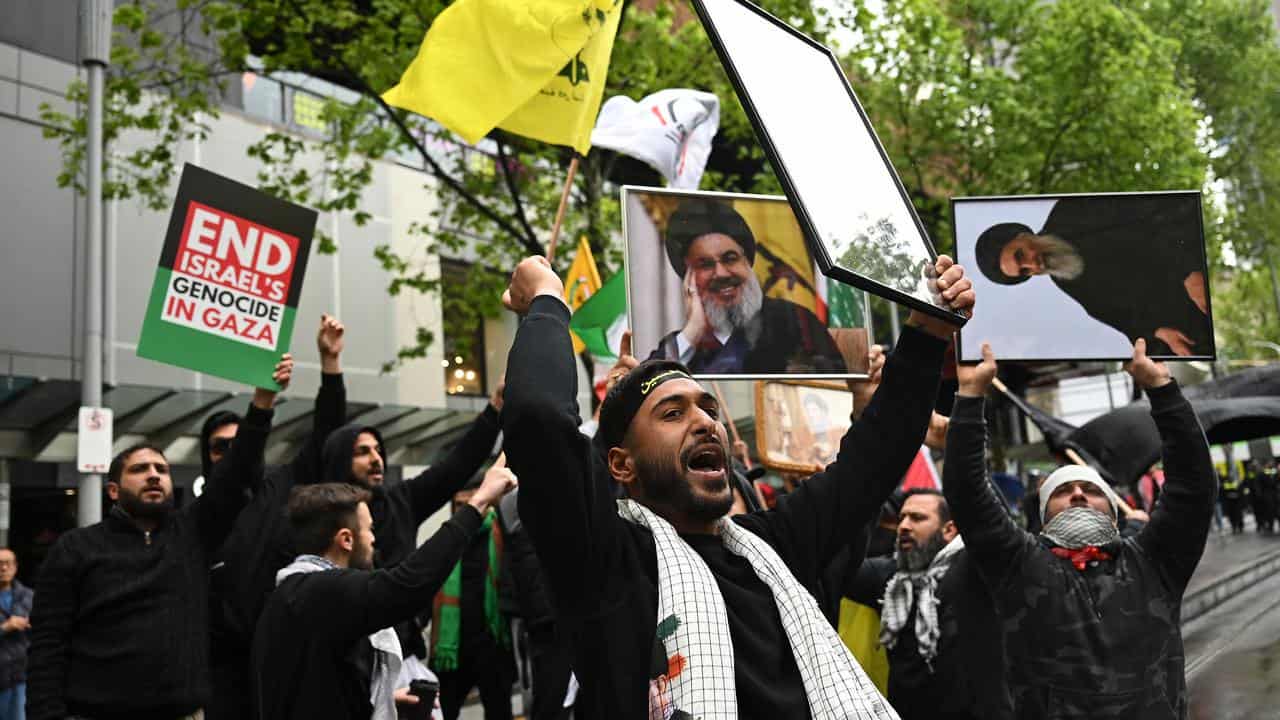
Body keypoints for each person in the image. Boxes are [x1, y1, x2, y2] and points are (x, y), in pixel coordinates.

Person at [500, 252, 973, 718]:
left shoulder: (776, 545)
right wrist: (546, 299)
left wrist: (929, 330)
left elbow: (878, 453)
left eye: (707, 408)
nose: (706, 422)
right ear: (622, 465)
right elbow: (539, 418)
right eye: (672, 413)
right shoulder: (605, 559)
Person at [944, 340, 1215, 718]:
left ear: (1113, 512)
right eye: (1062, 492)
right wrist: (971, 396)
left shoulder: (1154, 563)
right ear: (1043, 515)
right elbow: (967, 494)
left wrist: (1163, 390)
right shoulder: (1019, 566)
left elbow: (1194, 487)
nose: (1077, 496)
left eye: (1090, 490)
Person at [26, 355, 293, 720]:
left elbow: (235, 474)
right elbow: (46, 646)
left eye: (161, 469)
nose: (154, 475)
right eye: (140, 470)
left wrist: (262, 402)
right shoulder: (75, 549)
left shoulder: (193, 534)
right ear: (114, 491)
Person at [250, 467, 517, 720]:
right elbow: (407, 586)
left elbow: (316, 692)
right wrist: (478, 503)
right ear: (346, 539)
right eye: (369, 529)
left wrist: (380, 704)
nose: (373, 539)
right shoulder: (323, 590)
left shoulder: (289, 594)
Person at [207, 314, 349, 720]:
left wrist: (330, 363)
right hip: (221, 676)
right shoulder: (195, 519)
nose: (231, 455)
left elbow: (327, 438)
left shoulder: (280, 488)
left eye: (239, 445)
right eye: (219, 448)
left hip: (282, 662)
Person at [318, 378, 504, 659]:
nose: (376, 458)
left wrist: (495, 408)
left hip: (404, 656)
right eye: (362, 452)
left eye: (379, 450)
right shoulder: (319, 519)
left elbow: (456, 465)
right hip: (348, 655)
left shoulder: (401, 501)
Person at [973, 195, 1210, 356]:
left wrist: (1189, 271)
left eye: (1020, 255)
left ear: (1022, 234)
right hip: (1184, 320)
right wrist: (1158, 331)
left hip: (1198, 266)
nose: (1031, 265)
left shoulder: (1071, 210)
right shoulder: (1063, 278)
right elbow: (1118, 317)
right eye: (1024, 272)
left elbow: (1151, 215)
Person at [843, 490, 1008, 720]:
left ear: (949, 530)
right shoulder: (891, 579)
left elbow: (993, 523)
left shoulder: (977, 574)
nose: (904, 526)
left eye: (917, 518)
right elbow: (835, 567)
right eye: (902, 518)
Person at [647, 200, 846, 373]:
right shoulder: (682, 344)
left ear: (747, 262)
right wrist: (693, 330)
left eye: (730, 259)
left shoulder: (794, 319)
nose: (722, 273)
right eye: (705, 265)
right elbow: (648, 387)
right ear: (689, 279)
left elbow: (836, 380)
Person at [431, 470, 517, 720]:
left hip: (491, 643)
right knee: (443, 712)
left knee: (499, 711)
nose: (467, 511)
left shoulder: (502, 534)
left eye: (470, 503)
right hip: (453, 647)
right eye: (459, 505)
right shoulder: (448, 540)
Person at [0, 549, 32, 720]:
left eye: (8, 563)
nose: (4, 568)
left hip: (22, 676)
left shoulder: (29, 596)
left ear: (15, 567)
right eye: (0, 564)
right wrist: (6, 627)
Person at [1221, 466, 1245, 534]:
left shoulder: (1237, 482)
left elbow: (1241, 492)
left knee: (1239, 515)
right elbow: (1223, 493)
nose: (1230, 476)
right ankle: (1234, 527)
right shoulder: (1226, 483)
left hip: (1237, 502)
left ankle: (1240, 526)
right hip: (1230, 502)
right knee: (1232, 516)